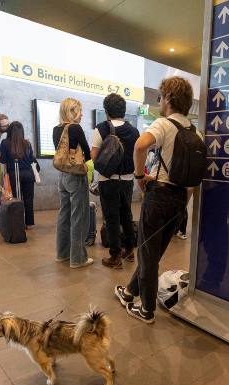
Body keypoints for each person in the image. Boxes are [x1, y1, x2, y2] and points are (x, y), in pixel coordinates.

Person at [114, 76, 200, 323]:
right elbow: (194, 179)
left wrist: (140, 176)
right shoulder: (196, 133)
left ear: (169, 99)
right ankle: (130, 292)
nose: (159, 101)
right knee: (152, 254)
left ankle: (147, 309)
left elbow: (140, 146)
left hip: (159, 195)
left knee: (147, 254)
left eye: (161, 97)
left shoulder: (164, 124)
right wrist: (183, 203)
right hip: (179, 199)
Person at [91, 93, 140, 269]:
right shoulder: (134, 131)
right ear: (124, 111)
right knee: (126, 214)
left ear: (106, 111)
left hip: (107, 180)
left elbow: (95, 156)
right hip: (127, 180)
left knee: (111, 218)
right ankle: (130, 251)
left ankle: (115, 256)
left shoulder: (101, 129)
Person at [53, 98, 93, 268]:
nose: (82, 114)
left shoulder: (56, 129)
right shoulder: (75, 128)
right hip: (76, 175)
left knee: (64, 214)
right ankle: (78, 258)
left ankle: (62, 254)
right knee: (79, 216)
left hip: (62, 176)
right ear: (72, 111)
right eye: (79, 111)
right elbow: (88, 153)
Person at [0, 121, 37, 229]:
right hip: (28, 174)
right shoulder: (27, 143)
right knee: (29, 199)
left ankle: (18, 222)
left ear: (10, 131)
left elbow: (3, 160)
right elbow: (30, 159)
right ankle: (29, 223)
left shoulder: (5, 143)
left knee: (16, 199)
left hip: (15, 174)